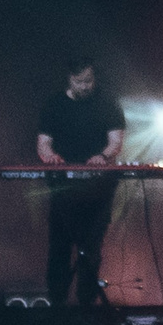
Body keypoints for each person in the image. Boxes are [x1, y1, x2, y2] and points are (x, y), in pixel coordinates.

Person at [36, 59, 126, 307]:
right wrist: (49, 156)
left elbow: (116, 140)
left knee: (91, 249)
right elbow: (43, 142)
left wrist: (104, 156)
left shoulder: (107, 102)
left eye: (89, 80)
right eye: (79, 81)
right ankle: (57, 306)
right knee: (59, 247)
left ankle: (87, 306)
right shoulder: (54, 104)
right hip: (63, 188)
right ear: (69, 79)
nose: (85, 86)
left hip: (98, 189)